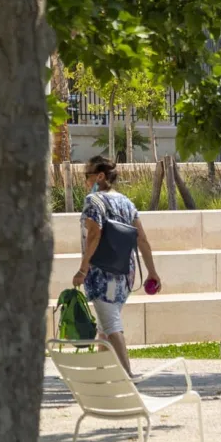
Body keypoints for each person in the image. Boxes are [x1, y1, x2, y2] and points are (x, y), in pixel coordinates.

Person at [74, 156, 160, 375]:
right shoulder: (126, 202)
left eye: (88, 175)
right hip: (124, 272)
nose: (86, 180)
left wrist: (83, 269)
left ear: (100, 177)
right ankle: (101, 374)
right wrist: (152, 271)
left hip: (102, 273)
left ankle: (127, 375)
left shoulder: (93, 200)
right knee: (104, 327)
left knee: (111, 324)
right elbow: (142, 239)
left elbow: (94, 234)